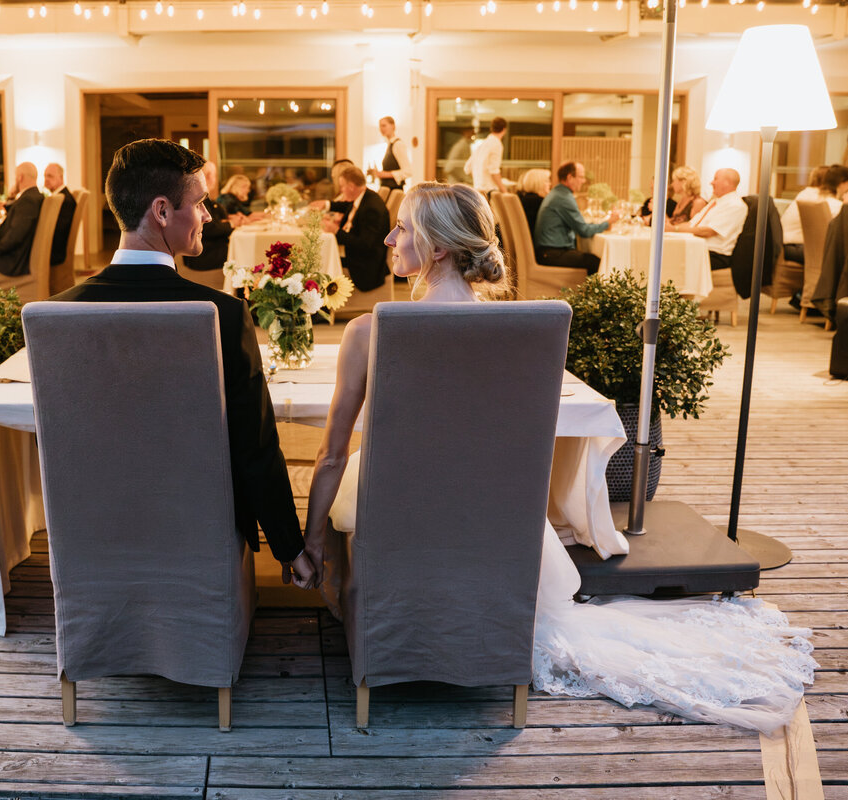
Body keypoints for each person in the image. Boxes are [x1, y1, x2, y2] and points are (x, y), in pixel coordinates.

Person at [304, 181, 817, 734]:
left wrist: (309, 542)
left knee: (348, 502)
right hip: (496, 515)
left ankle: (379, 638)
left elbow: (332, 456)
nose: (388, 235)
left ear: (438, 248)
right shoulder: (524, 331)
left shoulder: (365, 330)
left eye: (401, 226)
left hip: (401, 511)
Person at [51, 138, 318, 590]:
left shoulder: (56, 313)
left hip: (97, 520)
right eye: (200, 203)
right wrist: (289, 546)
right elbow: (254, 448)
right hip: (198, 519)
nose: (208, 216)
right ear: (161, 211)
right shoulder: (222, 314)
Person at [534, 162, 619, 274]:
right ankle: (591, 291)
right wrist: (608, 223)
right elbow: (584, 230)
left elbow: (581, 225)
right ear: (570, 177)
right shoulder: (563, 198)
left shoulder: (558, 193)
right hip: (551, 253)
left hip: (547, 251)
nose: (583, 181)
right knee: (597, 262)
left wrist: (603, 224)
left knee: (593, 259)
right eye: (581, 177)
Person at [322, 166, 390, 292]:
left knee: (323, 262)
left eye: (342, 186)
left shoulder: (372, 208)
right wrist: (326, 205)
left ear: (351, 186)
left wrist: (336, 231)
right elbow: (346, 205)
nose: (341, 190)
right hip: (357, 255)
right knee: (323, 256)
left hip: (365, 265)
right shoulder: (364, 196)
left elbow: (365, 244)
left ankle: (323, 306)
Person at [667, 168, 748, 271]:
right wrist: (671, 228)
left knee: (668, 258)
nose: (711, 182)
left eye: (715, 179)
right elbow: (692, 224)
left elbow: (708, 231)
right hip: (699, 249)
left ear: (727, 183)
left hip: (714, 254)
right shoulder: (714, 202)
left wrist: (674, 230)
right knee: (664, 251)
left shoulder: (735, 205)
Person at [0, 162, 43, 277]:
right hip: (21, 255)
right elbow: (21, 216)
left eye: (16, 176)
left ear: (20, 177)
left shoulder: (28, 200)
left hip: (14, 262)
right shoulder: (36, 196)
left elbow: (16, 235)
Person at [779, 164, 848, 264]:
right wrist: (846, 204)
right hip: (795, 247)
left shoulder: (806, 193)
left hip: (787, 245)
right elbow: (838, 224)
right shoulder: (821, 199)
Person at [184, 161, 242, 272]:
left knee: (238, 249)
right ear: (209, 177)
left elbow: (214, 222)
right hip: (202, 254)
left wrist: (226, 222)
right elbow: (209, 227)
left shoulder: (203, 198)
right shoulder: (199, 198)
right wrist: (231, 223)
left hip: (208, 248)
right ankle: (242, 286)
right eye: (213, 175)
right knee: (240, 252)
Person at [43, 162, 77, 267]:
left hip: (55, 252)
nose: (46, 179)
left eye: (50, 176)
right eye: (45, 176)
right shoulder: (58, 197)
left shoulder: (64, 200)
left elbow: (58, 231)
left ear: (61, 177)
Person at [464, 116, 508, 194]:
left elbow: (467, 168)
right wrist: (504, 191)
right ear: (504, 130)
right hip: (489, 190)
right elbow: (494, 171)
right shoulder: (496, 144)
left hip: (478, 189)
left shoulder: (482, 144)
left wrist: (480, 179)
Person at [368, 116, 412, 191]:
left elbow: (408, 171)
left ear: (393, 126)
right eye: (380, 126)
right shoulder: (389, 144)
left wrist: (383, 174)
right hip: (387, 188)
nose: (382, 129)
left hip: (394, 190)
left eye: (384, 125)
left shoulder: (398, 144)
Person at [516, 168, 551, 235]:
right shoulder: (537, 202)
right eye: (547, 181)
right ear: (538, 183)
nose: (550, 184)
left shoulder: (524, 198)